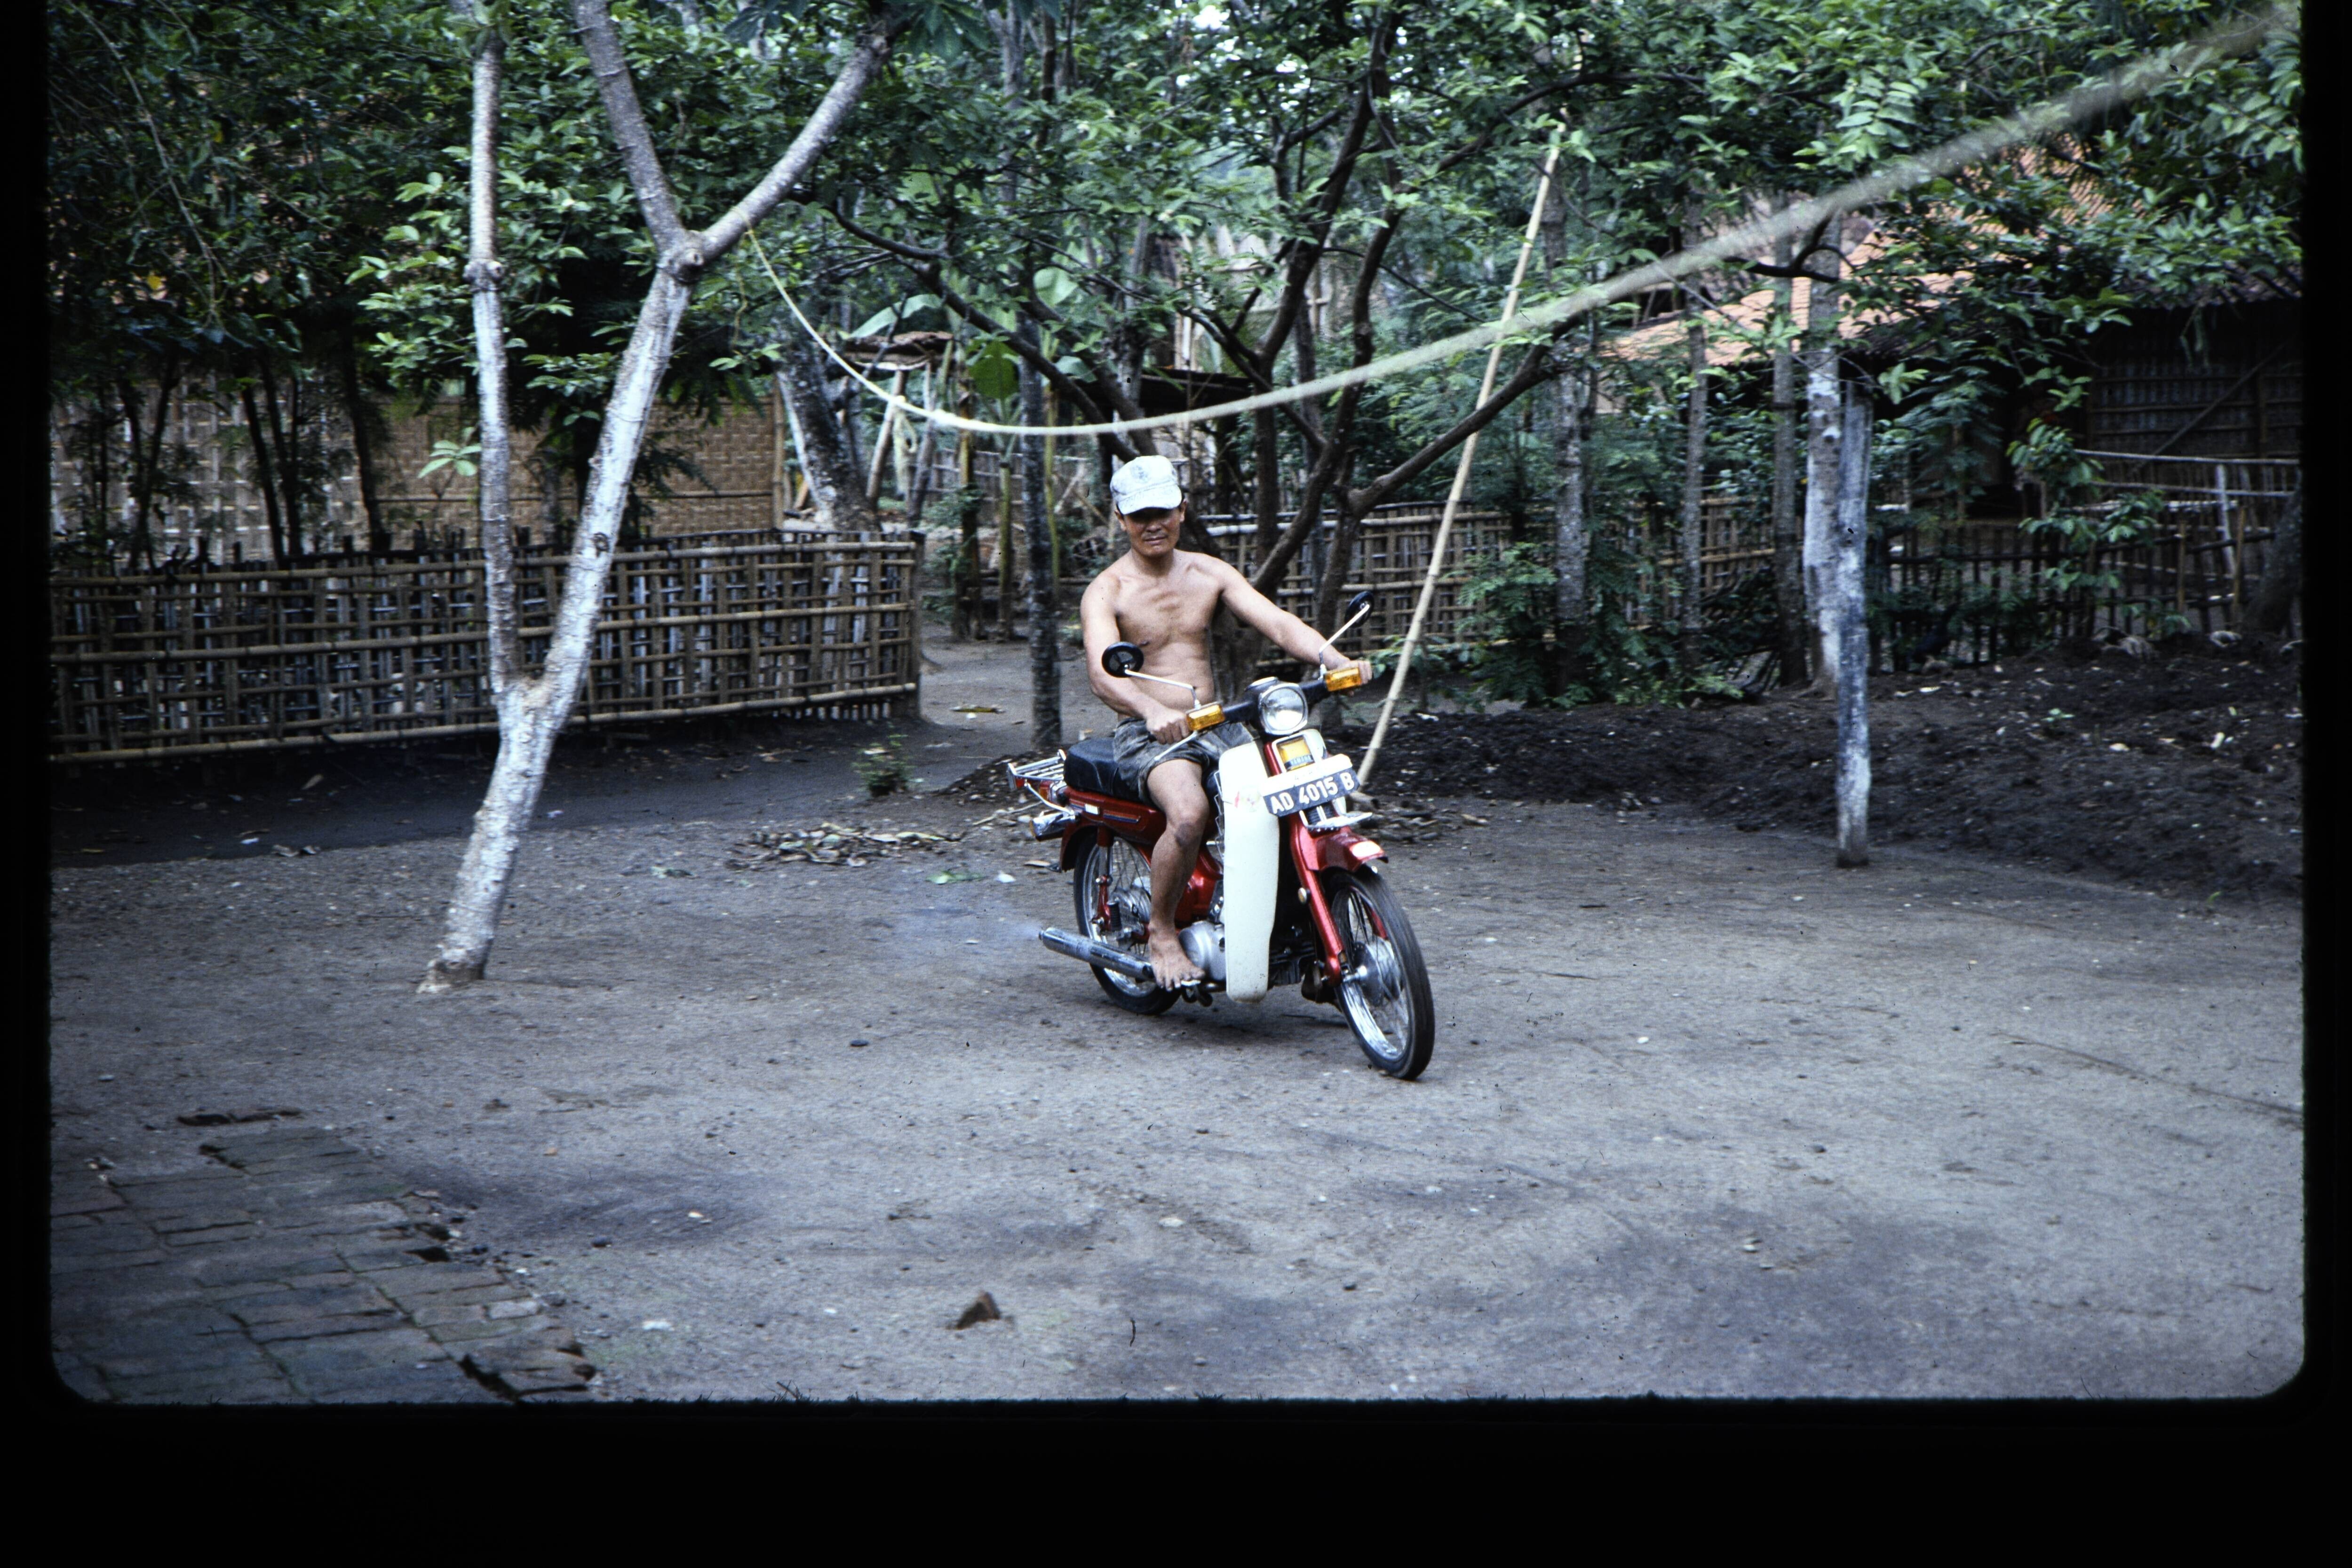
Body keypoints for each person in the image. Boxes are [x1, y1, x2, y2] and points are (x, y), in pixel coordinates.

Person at [1077, 454, 1372, 988]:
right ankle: (1162, 933)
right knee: (1189, 814)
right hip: (1150, 734)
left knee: (1291, 801)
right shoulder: (1107, 591)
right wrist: (1152, 710)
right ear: (1120, 519)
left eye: (1162, 511)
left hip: (1218, 723)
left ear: (1182, 510)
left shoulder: (1208, 572)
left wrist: (1333, 659)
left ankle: (1304, 936)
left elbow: (1275, 621)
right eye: (1139, 515)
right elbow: (1102, 674)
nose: (1153, 524)